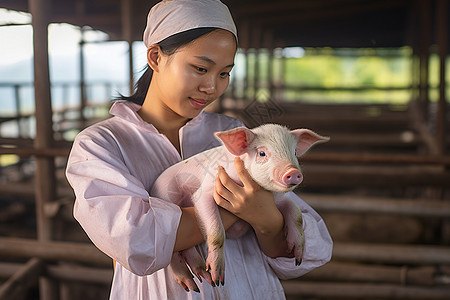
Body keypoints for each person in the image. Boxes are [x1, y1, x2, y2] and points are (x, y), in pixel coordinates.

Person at [65, 0, 333, 299]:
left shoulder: (237, 134)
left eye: (224, 73)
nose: (212, 87)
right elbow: (133, 239)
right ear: (155, 56)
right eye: (200, 68)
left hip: (249, 289)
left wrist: (268, 222)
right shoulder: (102, 144)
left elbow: (311, 248)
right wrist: (244, 208)